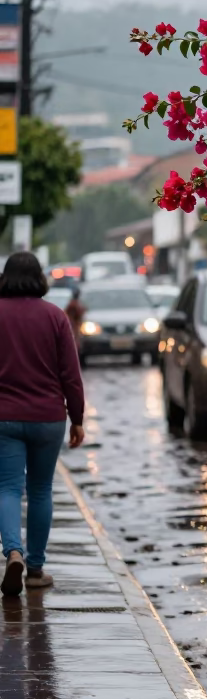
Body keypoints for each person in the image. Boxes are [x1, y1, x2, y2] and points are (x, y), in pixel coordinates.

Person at [0, 252, 86, 597]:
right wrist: (77, 418)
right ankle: (35, 569)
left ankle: (13, 552)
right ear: (40, 279)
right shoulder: (55, 317)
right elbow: (71, 374)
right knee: (40, 490)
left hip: (3, 417)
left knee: (7, 488)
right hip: (48, 418)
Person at [64, 285, 86, 358]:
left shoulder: (75, 303)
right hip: (74, 325)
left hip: (75, 325)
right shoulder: (73, 304)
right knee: (75, 342)